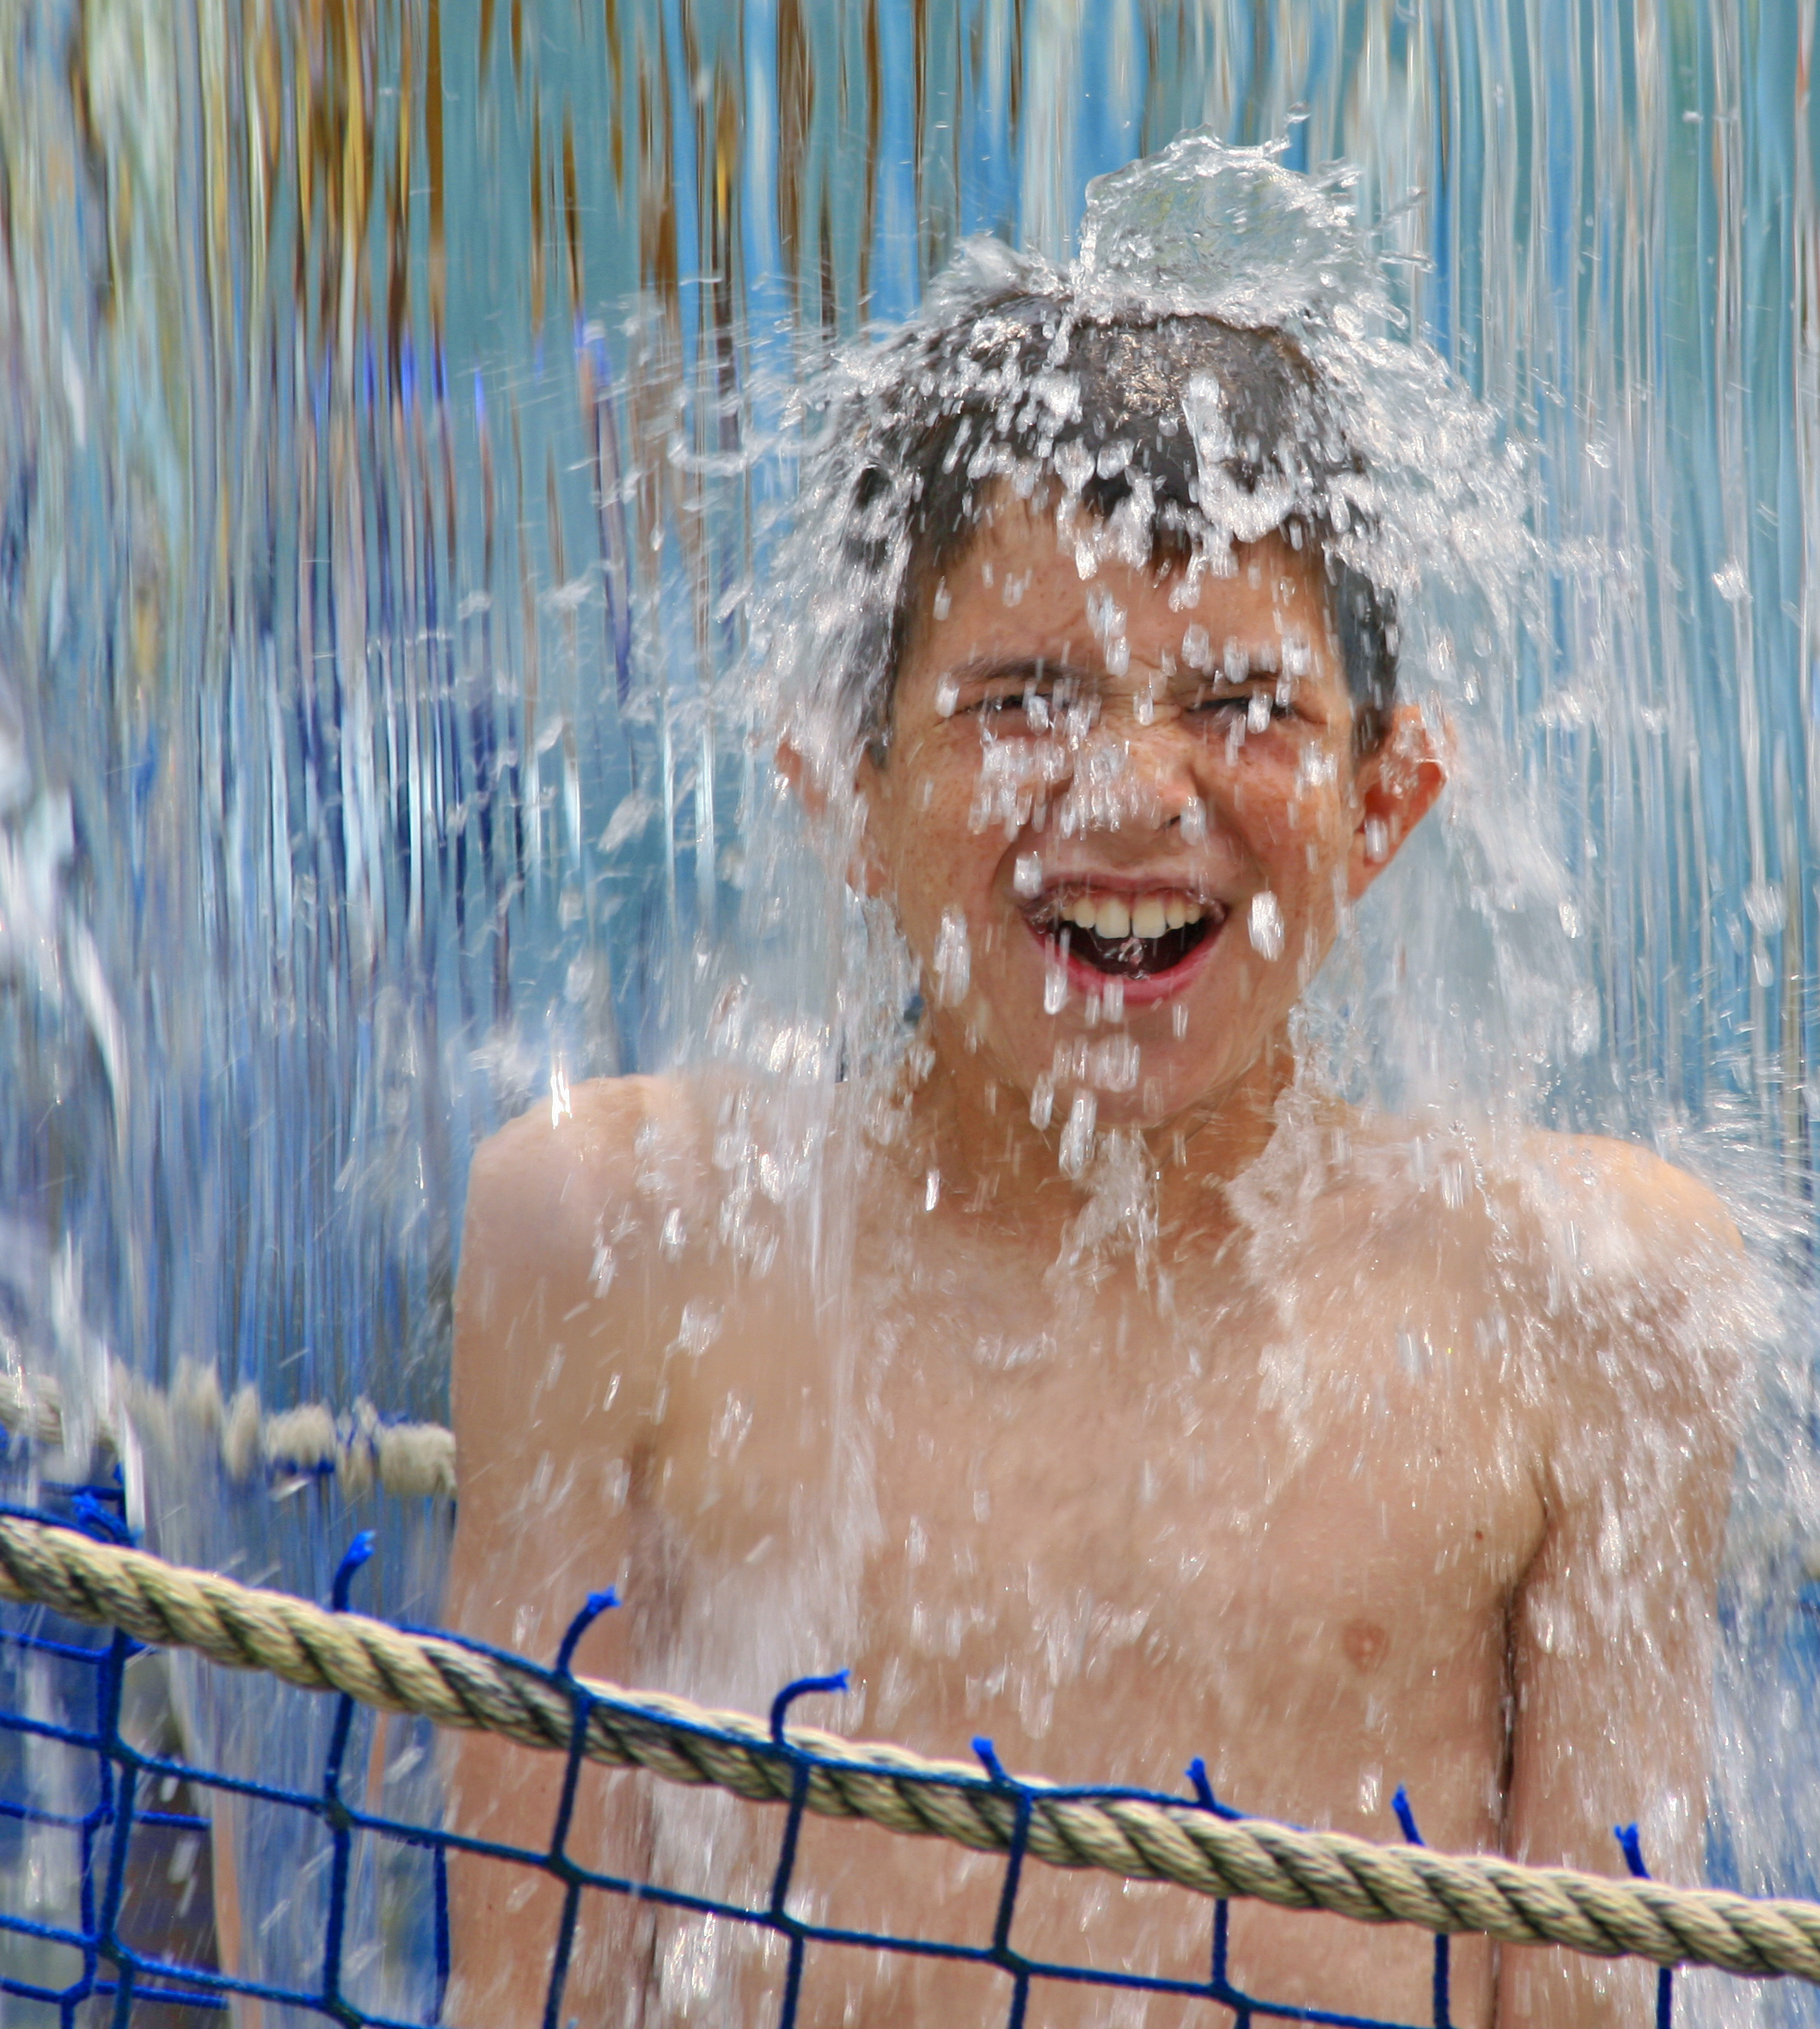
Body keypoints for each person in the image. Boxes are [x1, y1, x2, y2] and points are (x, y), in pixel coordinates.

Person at [447, 147, 1750, 2026]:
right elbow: (536, 1984)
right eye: (1024, 698)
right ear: (847, 781)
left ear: (1387, 799)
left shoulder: (1582, 1297)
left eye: (1242, 708)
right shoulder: (628, 1241)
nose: (1133, 796)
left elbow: (1598, 2001)